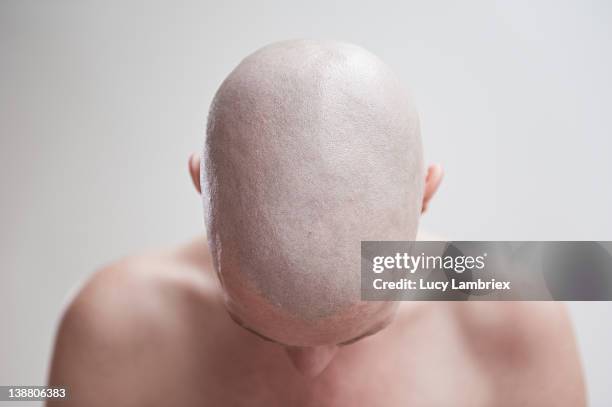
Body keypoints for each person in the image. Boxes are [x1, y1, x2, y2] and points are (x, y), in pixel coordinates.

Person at [48, 40, 586, 406]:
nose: (310, 368)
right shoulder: (111, 323)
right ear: (201, 187)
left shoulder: (521, 308)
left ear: (426, 192)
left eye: (360, 332)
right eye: (254, 324)